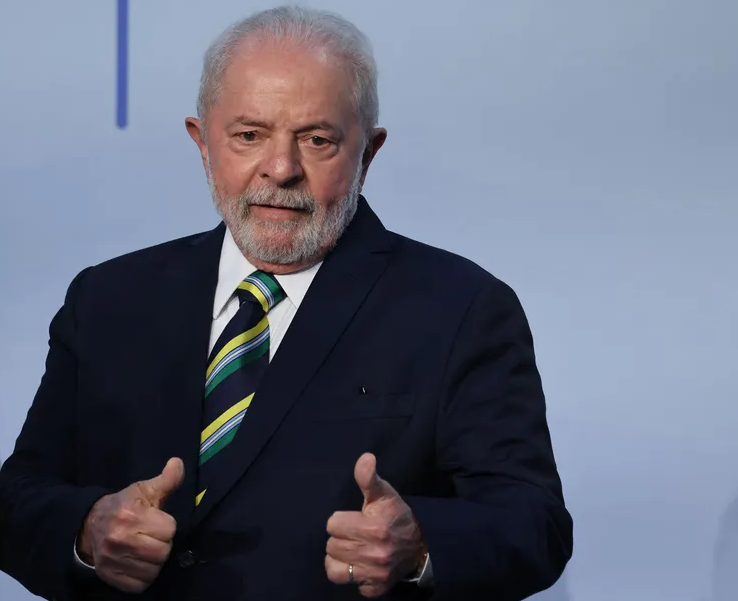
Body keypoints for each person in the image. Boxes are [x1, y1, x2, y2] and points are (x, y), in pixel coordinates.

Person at [0, 5, 572, 600]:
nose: (280, 169)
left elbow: (536, 526)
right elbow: (17, 500)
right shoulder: (106, 300)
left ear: (368, 153)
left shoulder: (462, 309)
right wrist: (86, 531)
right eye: (249, 135)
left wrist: (420, 544)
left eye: (317, 140)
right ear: (202, 143)